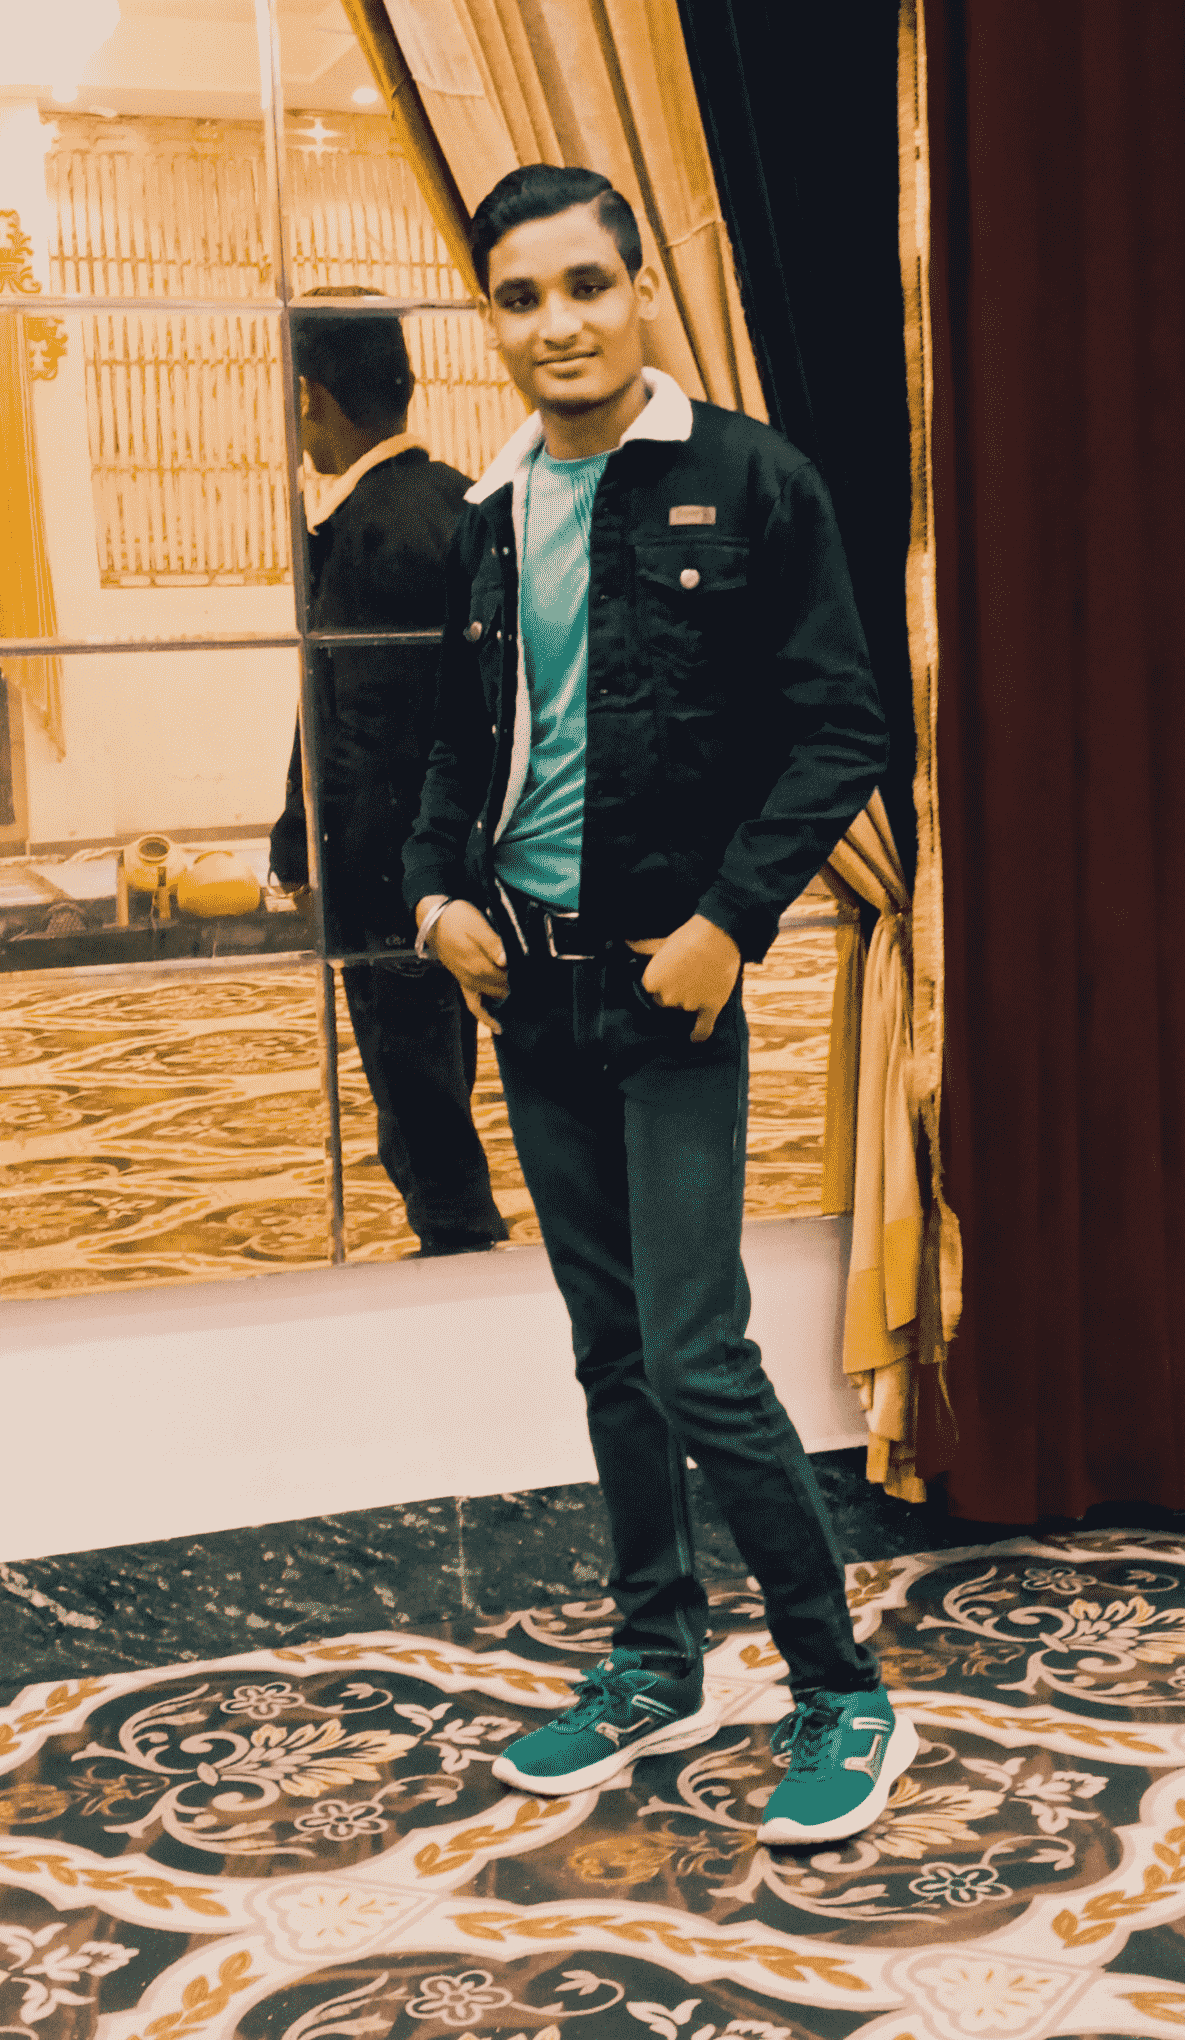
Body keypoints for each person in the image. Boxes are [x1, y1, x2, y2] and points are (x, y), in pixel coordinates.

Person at [403, 165, 913, 1846]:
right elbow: (461, 744)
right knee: (610, 1348)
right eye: (520, 297)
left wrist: (728, 922)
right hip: (527, 990)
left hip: (670, 990)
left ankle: (842, 1690)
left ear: (640, 293)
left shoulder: (751, 482)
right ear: (493, 320)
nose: (557, 324)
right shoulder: (489, 513)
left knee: (697, 1353)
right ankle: (654, 1659)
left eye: (584, 286)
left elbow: (843, 730)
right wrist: (434, 898)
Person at [270, 288, 507, 1258]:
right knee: (444, 1058)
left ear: (310, 396)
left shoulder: (367, 532)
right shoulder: (463, 499)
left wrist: (336, 866)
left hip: (390, 870)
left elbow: (361, 728)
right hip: (468, 845)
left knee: (411, 1081)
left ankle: (455, 1242)